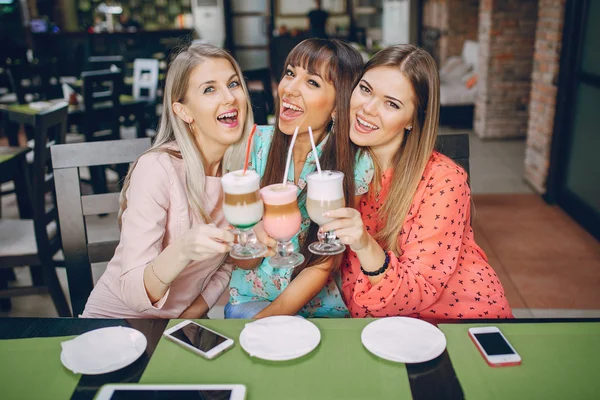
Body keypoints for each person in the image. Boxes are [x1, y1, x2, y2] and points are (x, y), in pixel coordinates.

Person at [321, 45, 513, 319]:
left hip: (459, 321)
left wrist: (364, 244)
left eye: (391, 104)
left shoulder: (445, 180)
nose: (368, 109)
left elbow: (415, 292)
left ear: (412, 119)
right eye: (365, 89)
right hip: (379, 324)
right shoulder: (340, 167)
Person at [82, 43, 255, 318]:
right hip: (118, 324)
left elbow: (227, 264)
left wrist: (190, 316)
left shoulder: (242, 173)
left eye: (233, 84)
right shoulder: (157, 169)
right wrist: (184, 249)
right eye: (209, 89)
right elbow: (133, 292)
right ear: (183, 112)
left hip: (179, 324)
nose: (230, 98)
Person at [226, 39, 374, 319]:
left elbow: (325, 262)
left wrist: (273, 318)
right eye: (291, 73)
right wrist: (251, 241)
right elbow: (243, 263)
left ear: (337, 107)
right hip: (253, 299)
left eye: (312, 83)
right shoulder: (257, 143)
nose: (289, 89)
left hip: (320, 306)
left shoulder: (355, 163)